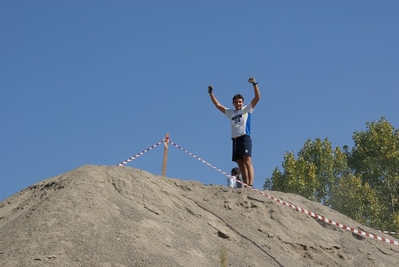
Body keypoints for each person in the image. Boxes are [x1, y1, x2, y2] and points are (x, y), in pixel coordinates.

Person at [208, 77, 260, 188]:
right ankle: (245, 185)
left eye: (240, 102)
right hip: (235, 139)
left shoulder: (247, 109)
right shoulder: (231, 112)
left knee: (247, 161)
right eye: (236, 102)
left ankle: (250, 184)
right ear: (233, 103)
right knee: (240, 163)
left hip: (244, 137)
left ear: (243, 102)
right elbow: (218, 105)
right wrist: (211, 93)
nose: (238, 103)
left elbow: (257, 97)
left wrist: (254, 84)